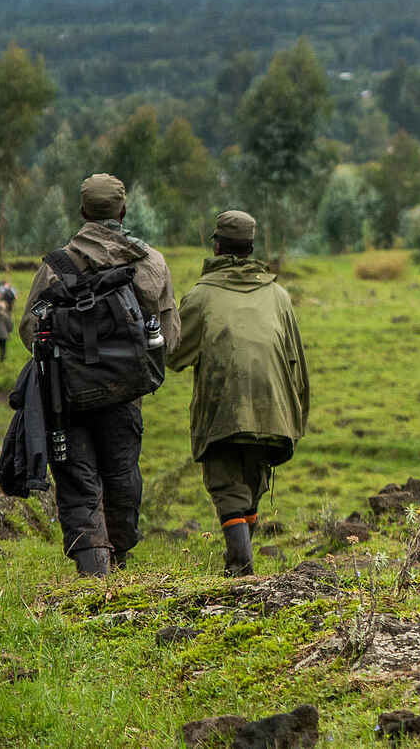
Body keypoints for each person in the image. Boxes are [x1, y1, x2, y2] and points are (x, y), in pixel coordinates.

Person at [21, 173, 179, 577]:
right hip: (125, 395)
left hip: (67, 396)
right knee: (122, 475)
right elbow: (170, 338)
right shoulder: (151, 264)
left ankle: (93, 575)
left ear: (82, 212)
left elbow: (29, 331)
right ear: (123, 211)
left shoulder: (56, 266)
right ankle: (121, 562)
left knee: (77, 480)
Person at [170, 209, 310, 577]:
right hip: (273, 412)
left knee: (227, 486)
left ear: (216, 246)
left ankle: (241, 570)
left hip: (224, 412)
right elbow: (298, 360)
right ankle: (243, 568)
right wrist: (296, 418)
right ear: (251, 247)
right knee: (251, 482)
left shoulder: (201, 297)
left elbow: (174, 355)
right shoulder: (278, 295)